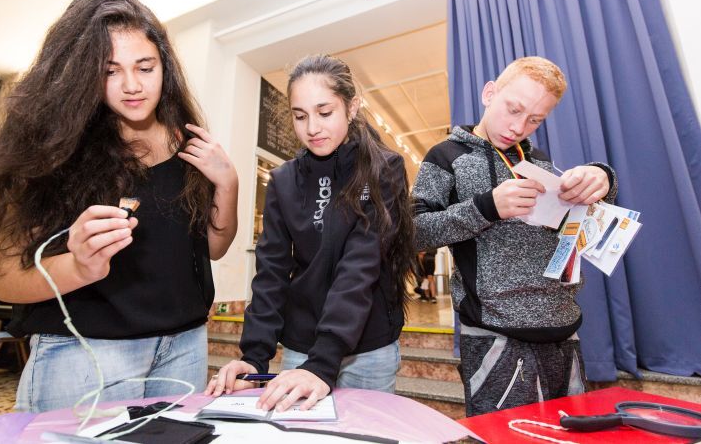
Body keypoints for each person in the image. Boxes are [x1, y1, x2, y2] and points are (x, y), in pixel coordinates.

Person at [0, 0, 239, 412]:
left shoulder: (186, 142)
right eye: (110, 71)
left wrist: (228, 185)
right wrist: (78, 267)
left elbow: (212, 247)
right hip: (86, 354)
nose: (133, 85)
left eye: (145, 67)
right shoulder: (53, 151)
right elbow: (5, 280)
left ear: (164, 66)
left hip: (184, 346)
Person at [206, 54, 417, 412]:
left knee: (366, 432)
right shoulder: (284, 180)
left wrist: (324, 361)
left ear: (351, 107)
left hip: (368, 346)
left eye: (325, 112)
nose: (312, 128)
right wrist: (254, 357)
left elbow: (360, 265)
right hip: (302, 345)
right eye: (300, 116)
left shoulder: (384, 169)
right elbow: (271, 272)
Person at [412, 56, 617, 416]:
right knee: (508, 436)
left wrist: (602, 179)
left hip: (563, 327)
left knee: (569, 435)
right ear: (489, 93)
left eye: (535, 119)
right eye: (514, 109)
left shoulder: (539, 160)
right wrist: (486, 207)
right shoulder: (446, 156)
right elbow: (414, 233)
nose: (519, 127)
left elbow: (575, 225)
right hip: (495, 334)